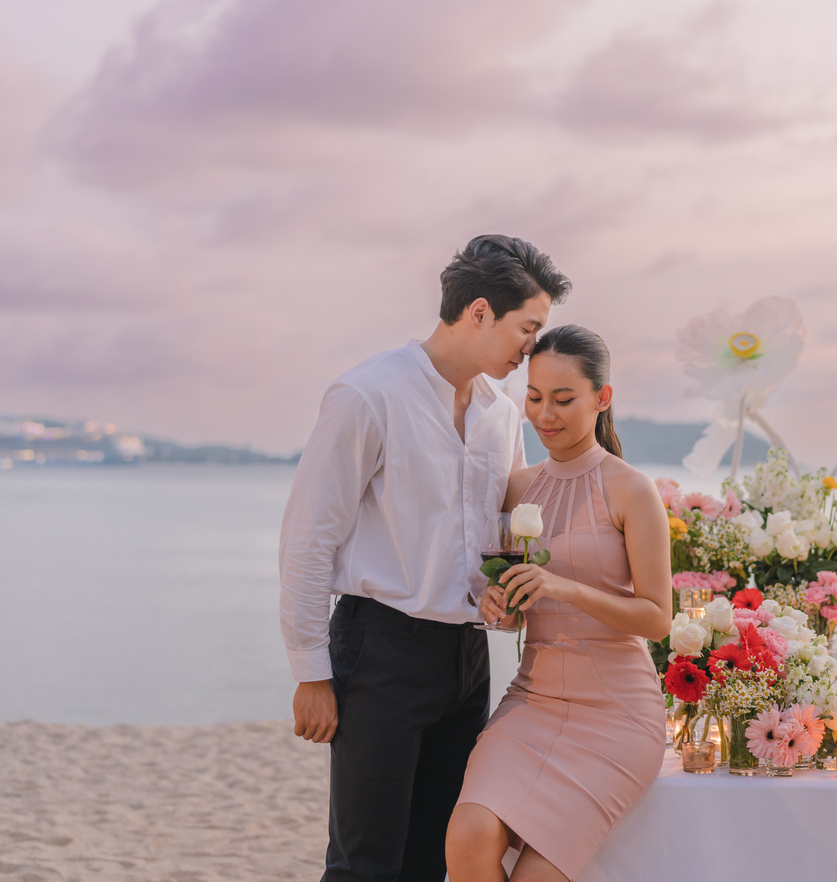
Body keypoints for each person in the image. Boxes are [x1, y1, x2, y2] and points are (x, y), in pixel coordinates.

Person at [279, 235, 571, 882]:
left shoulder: (500, 414)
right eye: (526, 329)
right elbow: (307, 536)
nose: (530, 348)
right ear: (478, 313)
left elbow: (503, 529)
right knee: (365, 864)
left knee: (433, 858)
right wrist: (311, 671)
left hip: (466, 659)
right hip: (379, 649)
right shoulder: (367, 394)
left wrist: (504, 594)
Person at [446, 325, 672, 882]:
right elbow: (514, 608)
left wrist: (564, 587)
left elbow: (658, 619)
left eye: (564, 399)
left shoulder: (631, 490)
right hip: (533, 701)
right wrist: (500, 605)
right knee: (467, 836)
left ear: (603, 398)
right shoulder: (517, 489)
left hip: (616, 717)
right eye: (535, 397)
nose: (545, 414)